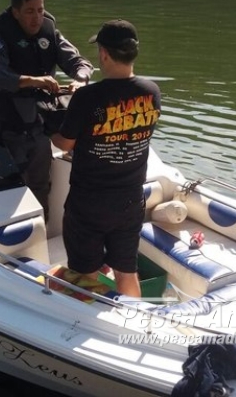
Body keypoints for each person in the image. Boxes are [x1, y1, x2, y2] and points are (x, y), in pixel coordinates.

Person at [51, 19, 161, 297]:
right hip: (130, 200)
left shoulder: (88, 98)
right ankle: (133, 318)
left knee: (85, 273)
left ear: (103, 54)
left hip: (89, 202)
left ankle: (84, 319)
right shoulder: (151, 92)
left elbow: (64, 143)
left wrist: (51, 123)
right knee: (127, 270)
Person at [0, 0, 94, 221]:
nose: (36, 18)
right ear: (16, 12)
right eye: (30, 11)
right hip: (9, 130)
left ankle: (40, 230)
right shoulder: (0, 35)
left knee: (41, 186)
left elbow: (80, 63)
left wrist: (80, 80)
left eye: (40, 10)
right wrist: (32, 80)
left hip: (41, 127)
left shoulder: (49, 30)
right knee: (11, 190)